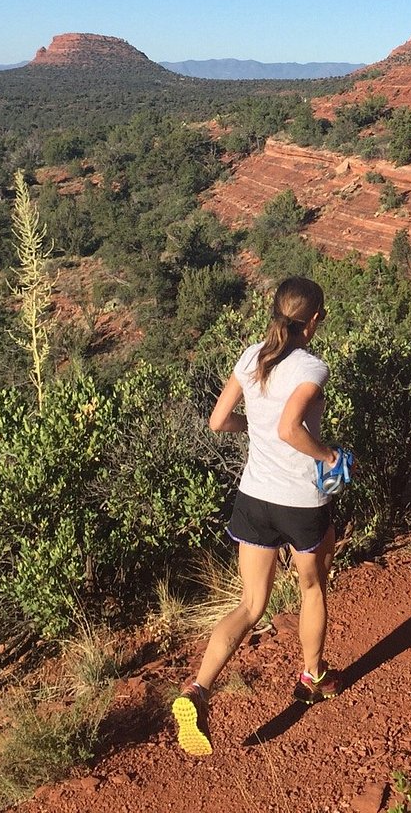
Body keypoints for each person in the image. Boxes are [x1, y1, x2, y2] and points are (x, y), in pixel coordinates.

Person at [171, 276, 347, 757]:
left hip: (254, 497)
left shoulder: (251, 356)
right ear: (314, 321)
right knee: (312, 587)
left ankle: (198, 690)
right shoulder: (312, 366)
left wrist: (256, 429)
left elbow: (218, 420)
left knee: (252, 605)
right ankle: (312, 677)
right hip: (301, 502)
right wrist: (329, 455)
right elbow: (292, 429)